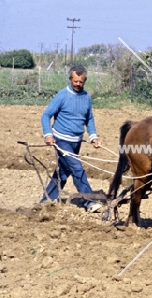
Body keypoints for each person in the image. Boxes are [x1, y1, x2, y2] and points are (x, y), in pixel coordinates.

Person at [39, 65, 102, 213]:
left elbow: (89, 118)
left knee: (62, 173)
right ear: (70, 79)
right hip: (61, 140)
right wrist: (48, 134)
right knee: (77, 168)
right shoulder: (62, 95)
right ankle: (89, 202)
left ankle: (45, 201)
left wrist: (93, 136)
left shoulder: (86, 97)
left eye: (81, 82)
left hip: (76, 141)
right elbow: (46, 115)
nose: (78, 84)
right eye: (75, 81)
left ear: (85, 80)